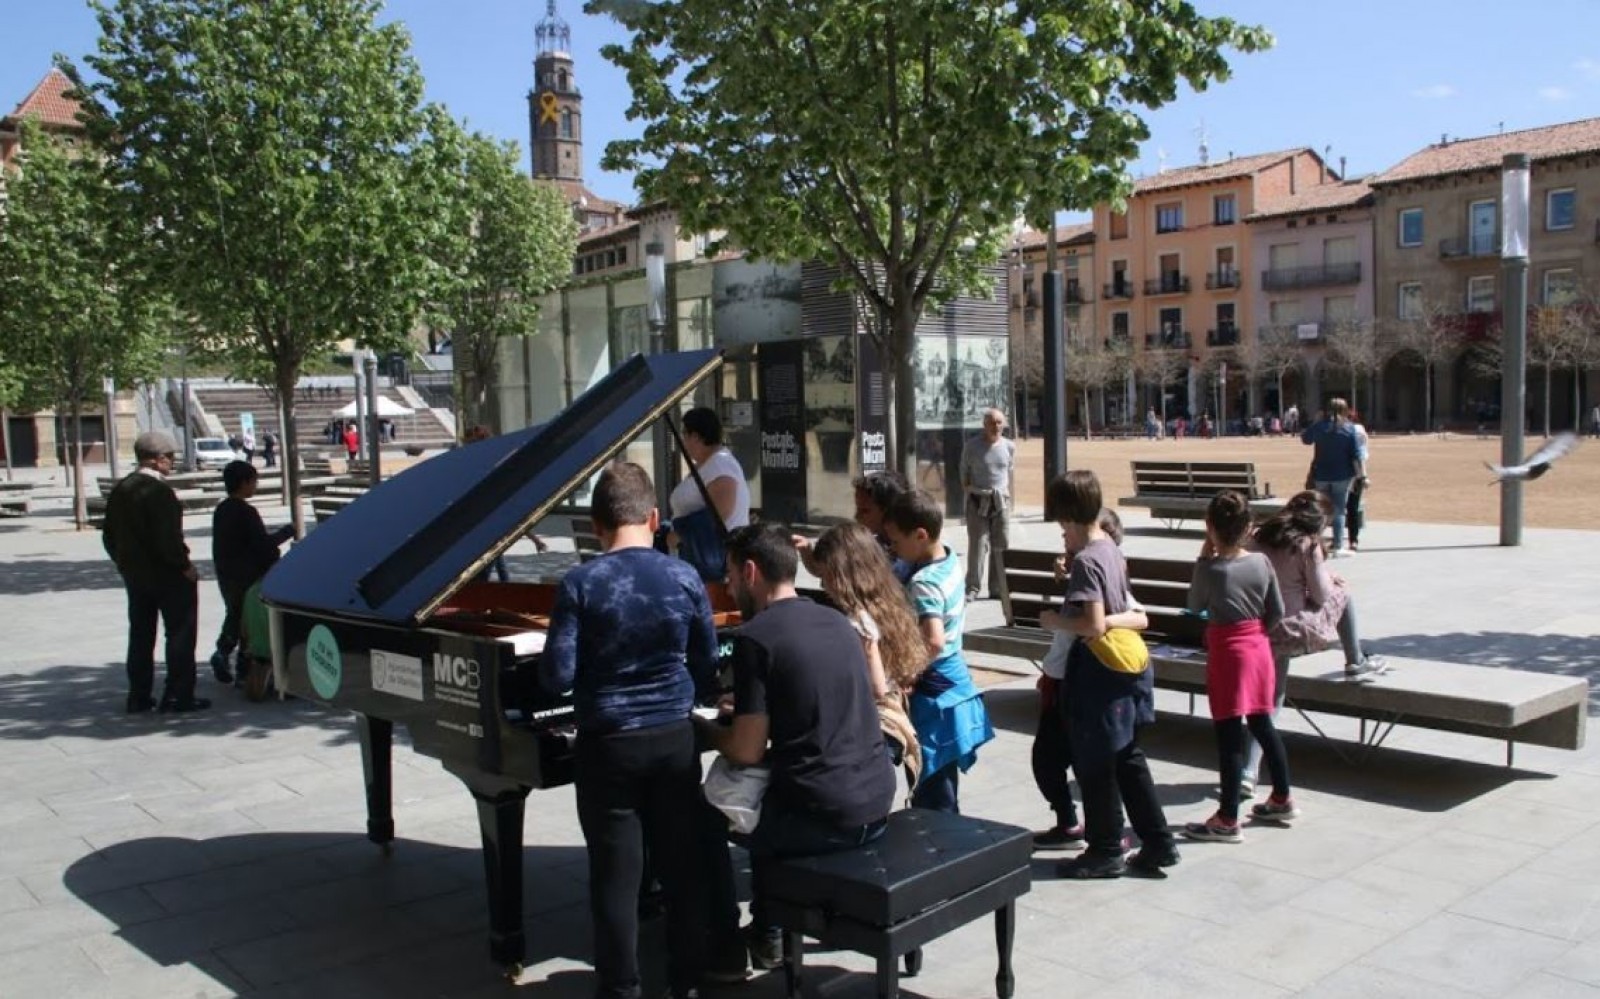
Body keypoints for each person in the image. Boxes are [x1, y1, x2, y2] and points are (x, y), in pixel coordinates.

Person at [542, 462, 720, 999]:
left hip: (609, 746)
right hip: (673, 740)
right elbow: (706, 664)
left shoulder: (581, 583)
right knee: (679, 864)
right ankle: (685, 979)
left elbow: (557, 678)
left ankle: (621, 988)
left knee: (613, 878)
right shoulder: (685, 577)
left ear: (597, 525)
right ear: (654, 517)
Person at [696, 523, 897, 972]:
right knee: (777, 793)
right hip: (877, 796)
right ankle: (768, 929)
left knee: (707, 815)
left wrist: (705, 729)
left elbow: (746, 750)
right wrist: (749, 707)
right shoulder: (836, 619)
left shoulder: (755, 637)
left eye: (728, 574)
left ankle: (728, 950)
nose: (726, 585)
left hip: (824, 816)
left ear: (751, 572)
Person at [1041, 470, 1177, 879]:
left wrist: (1054, 620)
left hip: (1097, 674)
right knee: (1128, 758)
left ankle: (1104, 849)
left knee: (1096, 763)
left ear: (1068, 514)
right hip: (1126, 670)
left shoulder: (1085, 560)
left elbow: (1094, 625)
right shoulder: (1110, 550)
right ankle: (1157, 841)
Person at [1243, 492, 1389, 793]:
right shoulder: (1307, 546)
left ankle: (1248, 770)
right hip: (1293, 629)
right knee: (1343, 594)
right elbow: (1321, 596)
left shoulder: (1259, 539)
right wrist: (1332, 580)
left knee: (1269, 698)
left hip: (1258, 627)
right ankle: (1355, 660)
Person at [1183, 491, 1299, 843]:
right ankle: (1282, 795)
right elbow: (1276, 610)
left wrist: (1205, 555)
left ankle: (1228, 817)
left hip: (1228, 651)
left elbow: (1194, 604)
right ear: (1249, 526)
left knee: (1229, 733)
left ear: (1210, 528)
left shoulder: (1213, 569)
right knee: (1263, 723)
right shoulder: (1261, 563)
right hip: (1259, 648)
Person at [1031, 508, 1149, 852]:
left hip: (1084, 681)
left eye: (1067, 531)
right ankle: (1071, 822)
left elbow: (1139, 617)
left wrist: (1090, 621)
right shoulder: (1081, 571)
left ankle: (1109, 835)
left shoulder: (1100, 570)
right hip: (1059, 679)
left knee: (1093, 765)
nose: (1064, 538)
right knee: (1048, 759)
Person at [882, 488, 994, 813]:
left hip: (935, 692)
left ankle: (944, 850)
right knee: (940, 782)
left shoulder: (924, 583)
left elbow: (933, 640)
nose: (893, 549)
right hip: (953, 683)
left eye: (896, 542)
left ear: (920, 535)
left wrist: (906, 673)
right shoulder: (948, 557)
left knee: (932, 787)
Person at [809, 522, 928, 786]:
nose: (822, 583)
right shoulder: (886, 602)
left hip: (872, 728)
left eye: (826, 574)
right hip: (892, 721)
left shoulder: (858, 622)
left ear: (842, 573)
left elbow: (876, 687)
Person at [101, 431, 209, 714]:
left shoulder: (121, 489)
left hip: (135, 576)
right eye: (170, 458)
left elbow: (108, 536)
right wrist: (185, 567)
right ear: (160, 459)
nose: (171, 464)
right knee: (180, 634)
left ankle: (138, 695)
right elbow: (168, 538)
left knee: (140, 635)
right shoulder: (159, 492)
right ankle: (177, 695)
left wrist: (124, 563)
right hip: (168, 575)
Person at [209, 461, 293, 684]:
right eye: (254, 481)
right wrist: (286, 533)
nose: (255, 486)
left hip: (226, 572)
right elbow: (262, 546)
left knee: (235, 613)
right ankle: (243, 670)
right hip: (248, 574)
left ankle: (224, 652)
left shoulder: (222, 509)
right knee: (248, 620)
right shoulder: (246, 512)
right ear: (244, 482)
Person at [792, 469, 908, 574]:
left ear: (888, 511)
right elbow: (826, 571)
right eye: (858, 509)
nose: (857, 516)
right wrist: (806, 551)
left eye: (865, 511)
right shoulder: (871, 545)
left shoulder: (908, 553)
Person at [959, 408, 1015, 601]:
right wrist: (972, 491)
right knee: (978, 545)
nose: (996, 426)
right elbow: (963, 474)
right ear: (984, 424)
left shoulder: (1009, 447)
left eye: (999, 422)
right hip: (977, 501)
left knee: (1001, 544)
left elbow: (1009, 472)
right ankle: (972, 588)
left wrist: (1007, 499)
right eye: (992, 422)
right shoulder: (972, 447)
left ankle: (997, 588)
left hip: (1001, 502)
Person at [1300, 398, 1365, 556]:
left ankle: (1317, 543)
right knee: (1339, 510)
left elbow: (1305, 439)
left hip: (1321, 474)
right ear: (1345, 410)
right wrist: (1361, 476)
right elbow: (1356, 455)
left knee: (1322, 509)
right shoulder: (1349, 429)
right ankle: (1337, 545)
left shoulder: (1320, 427)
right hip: (1342, 475)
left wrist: (1315, 421)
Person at [669, 407, 751, 530]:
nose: (683, 441)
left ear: (696, 437)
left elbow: (720, 515)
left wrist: (678, 537)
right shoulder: (708, 464)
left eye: (684, 434)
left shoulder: (721, 466)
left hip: (714, 548)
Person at [1346, 409, 1371, 552]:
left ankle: (1341, 539)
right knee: (1352, 508)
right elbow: (1361, 455)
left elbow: (1358, 455)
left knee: (1339, 508)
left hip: (1344, 474)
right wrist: (1363, 475)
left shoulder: (1346, 431)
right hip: (1356, 475)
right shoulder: (1360, 431)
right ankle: (1353, 540)